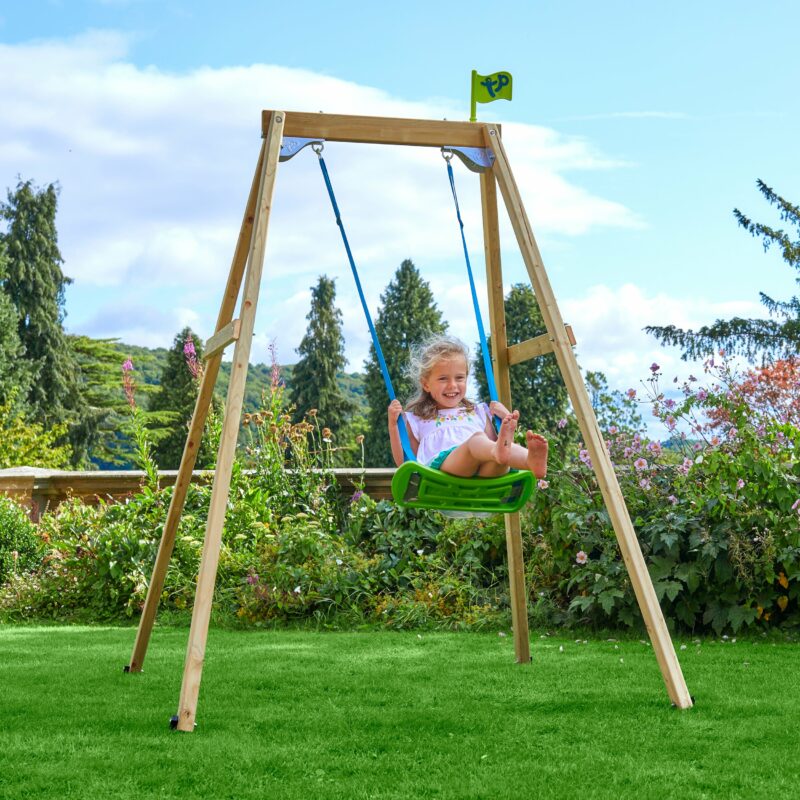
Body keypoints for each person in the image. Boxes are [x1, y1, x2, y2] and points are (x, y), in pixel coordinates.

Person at [387, 335, 548, 479]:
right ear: (426, 384)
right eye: (443, 379)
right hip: (442, 472)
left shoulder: (477, 412)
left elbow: (497, 447)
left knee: (499, 456)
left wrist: (507, 424)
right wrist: (394, 426)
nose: (452, 385)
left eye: (459, 378)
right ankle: (521, 458)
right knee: (477, 440)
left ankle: (529, 461)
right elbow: (406, 460)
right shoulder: (417, 419)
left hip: (485, 474)